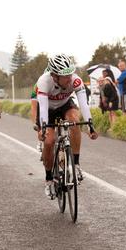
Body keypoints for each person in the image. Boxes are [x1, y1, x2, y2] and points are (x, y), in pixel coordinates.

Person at [36, 54, 98, 198]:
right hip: (48, 110)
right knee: (49, 141)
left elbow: (83, 104)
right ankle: (49, 179)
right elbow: (43, 108)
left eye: (70, 73)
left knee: (75, 121)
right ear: (54, 76)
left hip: (65, 106)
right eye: (65, 76)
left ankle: (75, 165)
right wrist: (43, 128)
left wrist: (90, 125)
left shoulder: (75, 80)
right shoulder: (44, 82)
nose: (69, 78)